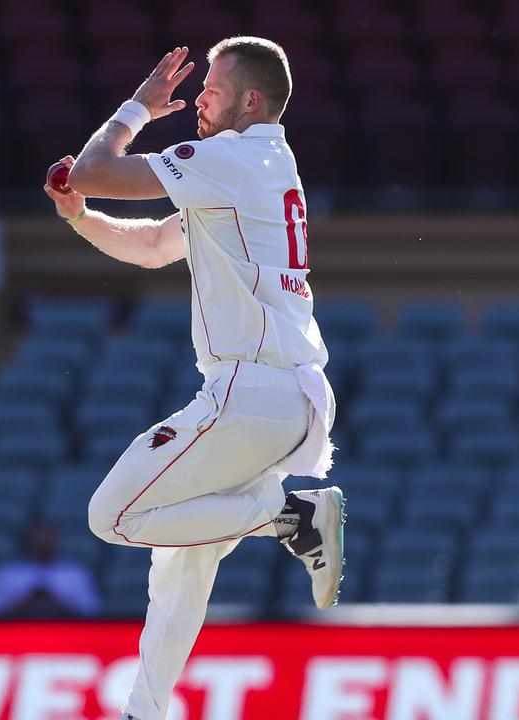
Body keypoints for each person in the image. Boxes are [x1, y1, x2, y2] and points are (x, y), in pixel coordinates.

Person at [43, 38, 343, 720]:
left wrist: (136, 110)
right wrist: (79, 218)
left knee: (113, 516)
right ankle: (144, 711)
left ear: (252, 101)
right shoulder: (256, 166)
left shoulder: (234, 159)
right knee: (182, 559)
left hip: (251, 392)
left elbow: (93, 168)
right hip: (285, 397)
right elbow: (152, 246)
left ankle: (290, 515)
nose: (200, 97)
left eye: (214, 86)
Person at [0, 522, 102, 618]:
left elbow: (92, 612)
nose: (43, 541)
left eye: (48, 537)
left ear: (55, 539)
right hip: (17, 635)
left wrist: (55, 603)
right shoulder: (7, 574)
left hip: (66, 635)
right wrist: (26, 602)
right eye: (39, 537)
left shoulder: (76, 574)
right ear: (28, 539)